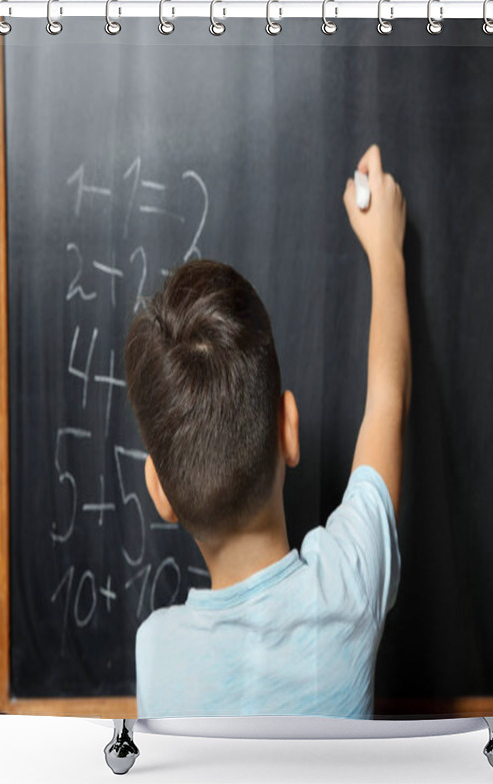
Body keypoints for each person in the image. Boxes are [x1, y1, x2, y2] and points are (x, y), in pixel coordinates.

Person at [124, 144, 411, 719]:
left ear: (160, 492)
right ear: (290, 430)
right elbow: (387, 400)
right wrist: (386, 249)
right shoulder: (347, 588)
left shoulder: (156, 650)